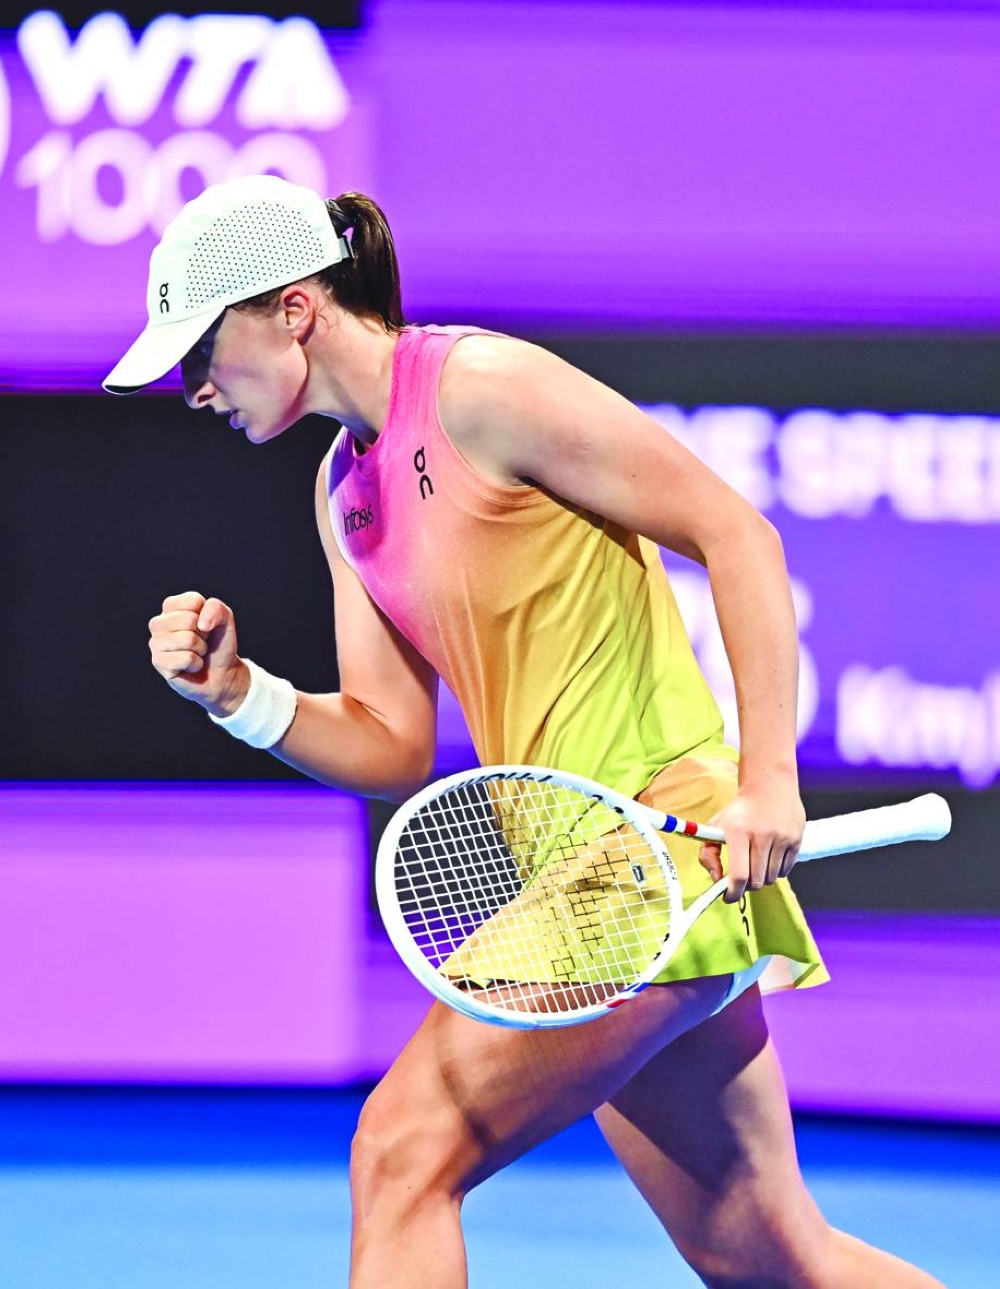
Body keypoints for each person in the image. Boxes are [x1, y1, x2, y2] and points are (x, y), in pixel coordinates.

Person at [106, 175, 942, 1288]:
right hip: (575, 872)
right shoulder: (341, 491)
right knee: (768, 1255)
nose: (194, 386)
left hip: (657, 854)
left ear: (292, 307)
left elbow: (733, 534)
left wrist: (768, 778)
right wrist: (241, 693)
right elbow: (389, 742)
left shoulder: (479, 387)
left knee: (402, 1151)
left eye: (201, 347)